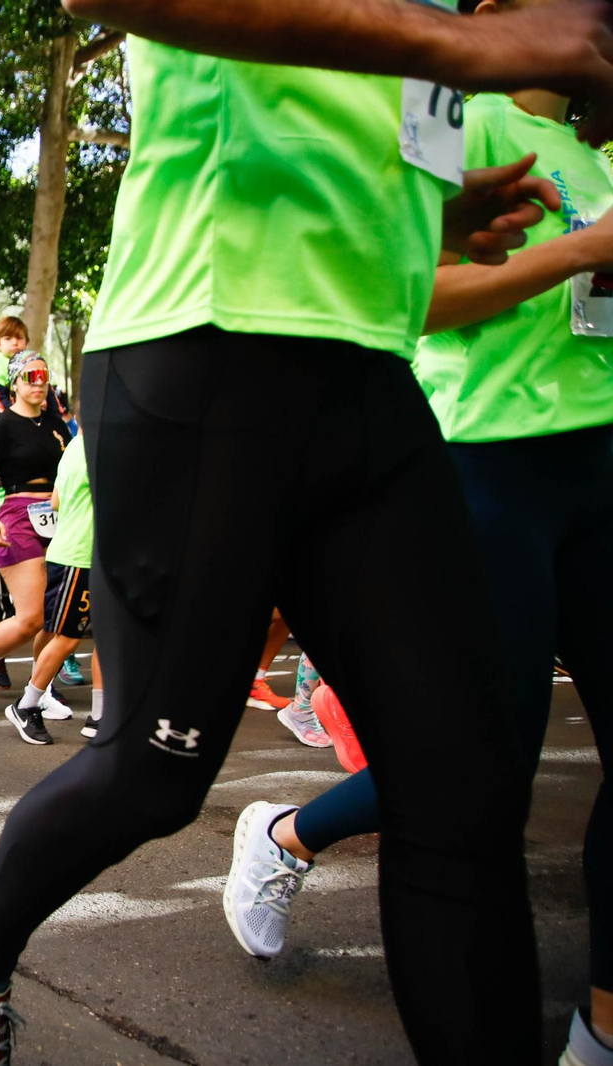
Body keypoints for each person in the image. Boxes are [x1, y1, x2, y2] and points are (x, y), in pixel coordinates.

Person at [0, 0, 613, 1059]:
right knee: (154, 769)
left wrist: (424, 213)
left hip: (372, 379)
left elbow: (337, 111)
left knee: (465, 789)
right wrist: (467, 47)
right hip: (205, 352)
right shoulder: (462, 29)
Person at [224, 46, 613, 1064]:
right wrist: (577, 253)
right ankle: (285, 836)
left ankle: (602, 1023)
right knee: (483, 767)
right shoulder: (454, 121)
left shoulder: (595, 155)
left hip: (601, 470)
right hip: (487, 468)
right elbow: (405, 295)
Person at [0, 353, 71, 743]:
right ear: (15, 383)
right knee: (31, 616)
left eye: (43, 376)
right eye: (29, 376)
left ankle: (42, 690)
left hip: (57, 516)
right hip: (16, 516)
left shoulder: (58, 427)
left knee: (55, 615)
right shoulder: (2, 425)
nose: (38, 382)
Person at [8, 429, 102, 743]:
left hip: (88, 556)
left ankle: (100, 717)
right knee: (67, 638)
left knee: (103, 639)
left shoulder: (75, 445)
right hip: (79, 557)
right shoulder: (97, 449)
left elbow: (56, 501)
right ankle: (27, 705)